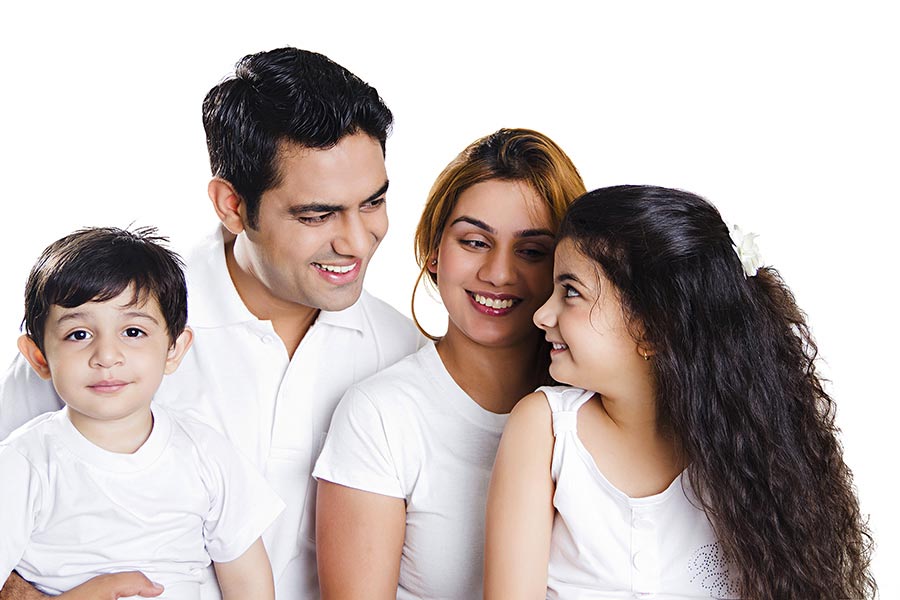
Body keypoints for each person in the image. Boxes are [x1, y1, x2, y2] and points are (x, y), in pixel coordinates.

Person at [0, 48, 421, 599]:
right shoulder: (107, 328)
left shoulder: (400, 352)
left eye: (373, 203)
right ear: (231, 204)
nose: (357, 241)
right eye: (317, 215)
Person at [483, 185, 877, 599]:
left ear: (653, 326)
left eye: (571, 292)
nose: (543, 315)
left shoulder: (746, 446)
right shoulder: (545, 428)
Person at [313, 128, 586, 599]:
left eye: (532, 251)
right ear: (435, 252)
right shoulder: (381, 416)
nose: (498, 273)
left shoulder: (599, 408)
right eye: (475, 242)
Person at [0, 227, 284, 599]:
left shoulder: (205, 453)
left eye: (133, 332)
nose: (106, 356)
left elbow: (249, 584)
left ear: (174, 349)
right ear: (39, 357)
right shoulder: (24, 463)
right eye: (79, 335)